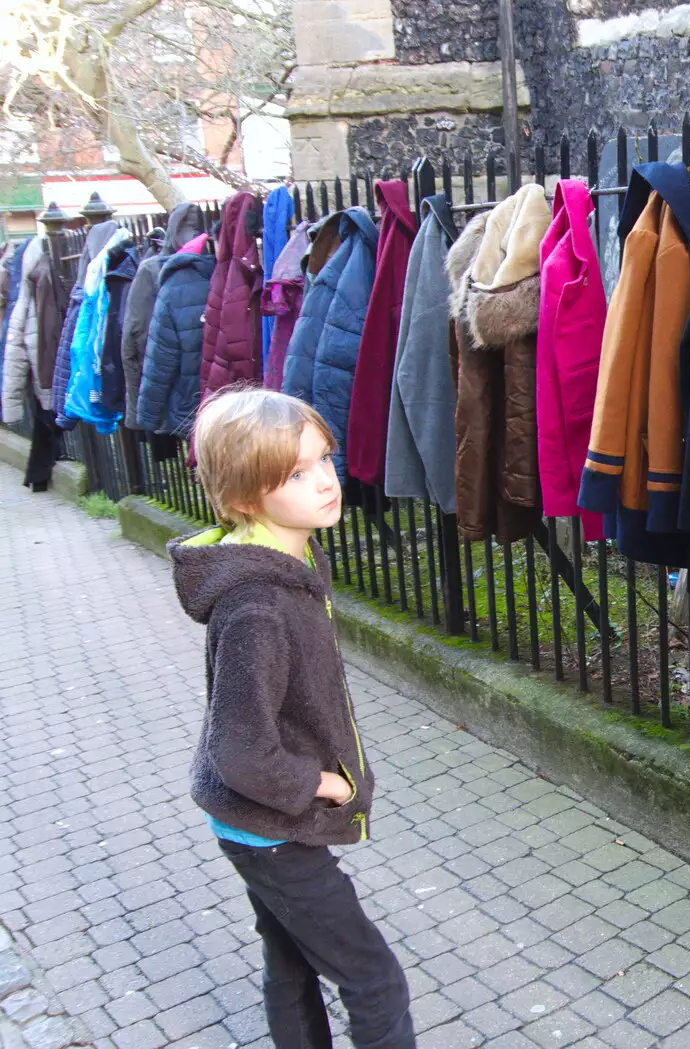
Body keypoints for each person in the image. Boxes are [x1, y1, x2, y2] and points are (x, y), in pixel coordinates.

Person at [168, 387, 415, 1049]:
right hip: (268, 825)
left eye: (325, 461)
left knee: (292, 958)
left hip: (258, 822)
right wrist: (321, 784)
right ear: (247, 495)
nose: (327, 482)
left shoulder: (292, 559)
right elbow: (241, 749)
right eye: (298, 474)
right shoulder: (258, 602)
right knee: (375, 981)